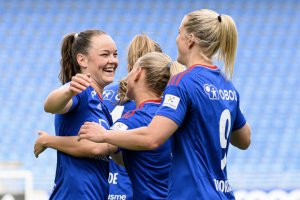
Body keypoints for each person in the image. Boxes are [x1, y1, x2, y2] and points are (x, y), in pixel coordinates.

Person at [78, 9, 251, 199]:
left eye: (179, 33)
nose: (176, 39)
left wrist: (105, 134)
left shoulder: (183, 81)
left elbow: (152, 138)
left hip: (193, 194)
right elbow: (244, 140)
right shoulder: (227, 85)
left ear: (191, 39)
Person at [35, 29, 118, 200]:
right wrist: (69, 92)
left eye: (115, 54)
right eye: (105, 54)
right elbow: (50, 105)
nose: (112, 61)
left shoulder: (101, 105)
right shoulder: (81, 90)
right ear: (82, 60)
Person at [103, 33, 163, 200]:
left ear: (130, 69)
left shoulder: (104, 94)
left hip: (105, 188)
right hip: (139, 189)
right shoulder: (160, 105)